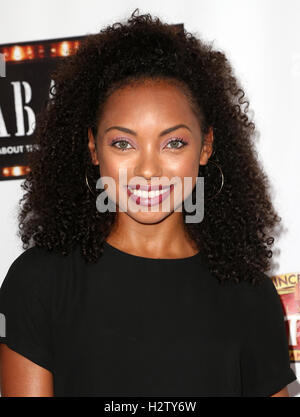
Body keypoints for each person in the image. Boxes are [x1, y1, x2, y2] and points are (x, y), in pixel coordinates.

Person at [0, 9, 297, 397]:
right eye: (123, 143)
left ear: (205, 146)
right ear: (93, 148)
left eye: (174, 143)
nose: (148, 169)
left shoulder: (249, 293)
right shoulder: (39, 283)